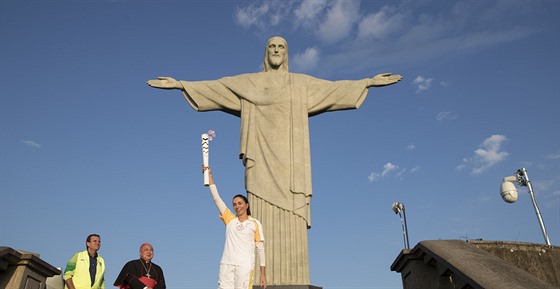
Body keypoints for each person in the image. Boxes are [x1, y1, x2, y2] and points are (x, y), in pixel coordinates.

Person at [147, 36, 401, 285]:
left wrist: (367, 82)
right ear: (266, 53)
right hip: (260, 163)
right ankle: (261, 279)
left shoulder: (300, 84)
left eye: (281, 47)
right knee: (260, 221)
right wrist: (181, 84)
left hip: (292, 166)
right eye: (272, 46)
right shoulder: (250, 83)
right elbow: (218, 87)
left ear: (287, 53)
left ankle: (292, 278)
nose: (277, 50)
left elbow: (333, 89)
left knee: (292, 218)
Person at [202, 165, 266, 289]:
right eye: (235, 204)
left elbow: (260, 250)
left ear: (246, 205)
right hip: (226, 264)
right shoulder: (230, 219)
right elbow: (217, 199)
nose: (237, 206)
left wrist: (263, 274)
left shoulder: (255, 223)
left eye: (240, 203)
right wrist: (209, 175)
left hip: (244, 266)